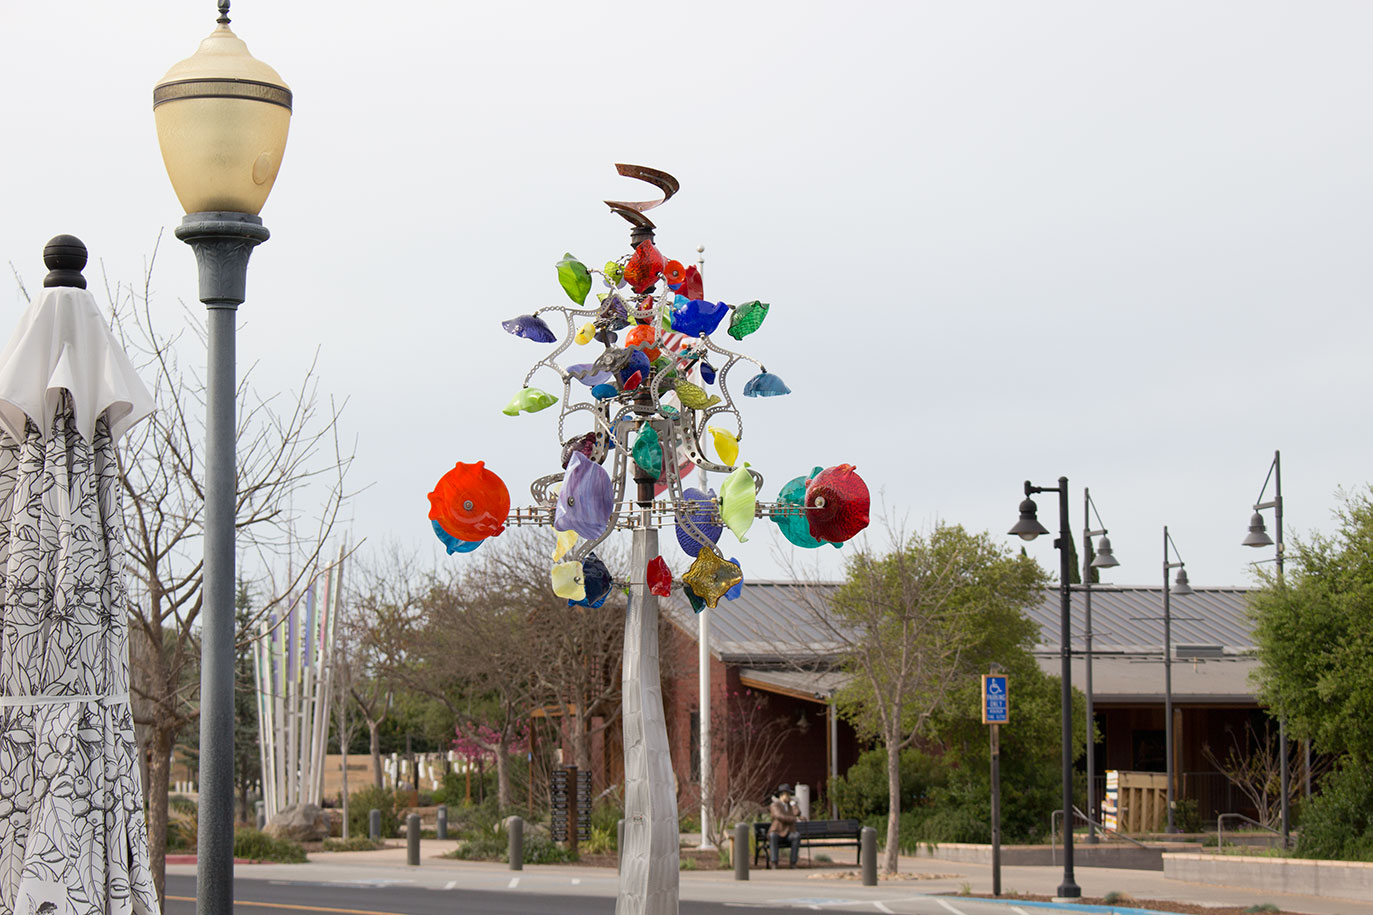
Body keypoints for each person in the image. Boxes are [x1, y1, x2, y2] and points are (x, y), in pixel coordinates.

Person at [768, 783, 805, 868]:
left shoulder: (790, 805)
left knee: (796, 836)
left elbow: (798, 813)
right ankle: (774, 863)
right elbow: (780, 816)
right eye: (787, 794)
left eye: (789, 794)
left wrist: (793, 804)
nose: (789, 796)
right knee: (773, 836)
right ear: (781, 795)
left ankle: (793, 863)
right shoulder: (775, 805)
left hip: (788, 833)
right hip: (778, 831)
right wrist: (795, 819)